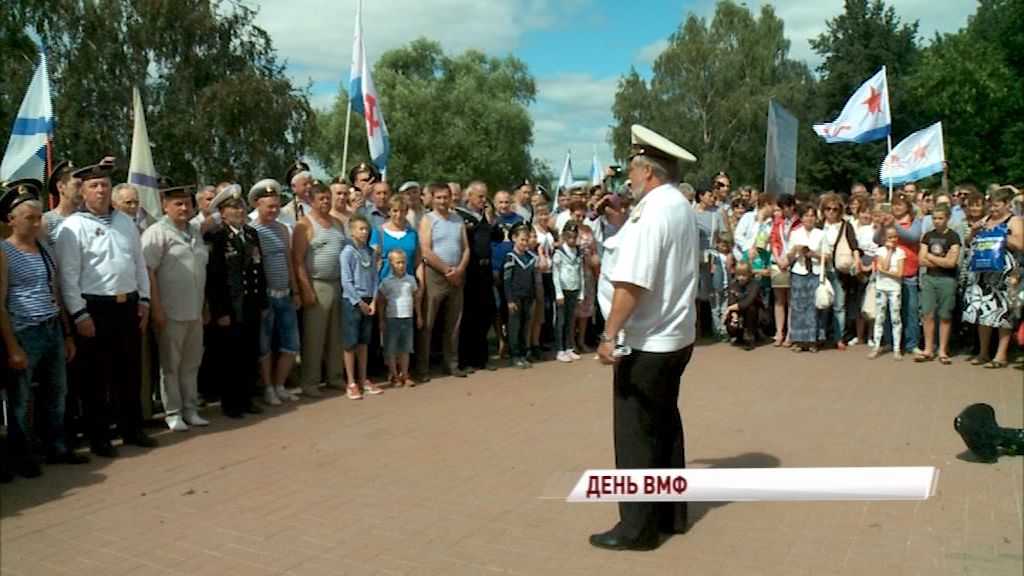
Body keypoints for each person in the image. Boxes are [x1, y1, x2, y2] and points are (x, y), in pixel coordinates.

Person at [591, 124, 697, 551]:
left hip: (648, 341)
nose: (629, 178)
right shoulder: (678, 205)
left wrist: (608, 334)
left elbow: (632, 282)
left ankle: (637, 529)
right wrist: (621, 224)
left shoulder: (651, 212)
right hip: (675, 336)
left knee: (636, 435)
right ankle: (670, 514)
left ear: (648, 171)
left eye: (633, 169)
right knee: (664, 426)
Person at [56, 164, 157, 457]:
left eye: (105, 185)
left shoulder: (125, 221)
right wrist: (79, 314)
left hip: (128, 306)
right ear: (83, 191)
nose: (100, 190)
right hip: (94, 309)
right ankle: (99, 437)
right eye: (94, 185)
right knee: (95, 378)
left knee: (129, 373)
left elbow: (139, 264)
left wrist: (145, 300)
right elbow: (67, 277)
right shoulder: (72, 227)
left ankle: (131, 429)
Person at [0, 181, 90, 478]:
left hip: (51, 329)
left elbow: (56, 292)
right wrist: (12, 347)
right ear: (11, 219)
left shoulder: (45, 250)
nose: (37, 223)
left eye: (39, 217)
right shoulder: (4, 252)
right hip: (24, 331)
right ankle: (22, 455)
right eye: (29, 218)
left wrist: (66, 334)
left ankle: (56, 447)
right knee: (21, 399)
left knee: (56, 393)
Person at [142, 185, 209, 431]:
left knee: (191, 364)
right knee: (170, 366)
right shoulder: (156, 233)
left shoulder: (194, 231)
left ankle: (190, 408)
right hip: (170, 311)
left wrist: (204, 305)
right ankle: (173, 412)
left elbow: (200, 271)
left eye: (187, 203)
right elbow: (148, 271)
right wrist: (156, 309)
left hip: (194, 310)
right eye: (178, 204)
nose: (184, 208)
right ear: (165, 206)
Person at [203, 185, 266, 418]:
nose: (240, 211)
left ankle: (247, 398)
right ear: (222, 212)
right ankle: (231, 403)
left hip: (250, 303)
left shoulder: (251, 234)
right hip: (230, 306)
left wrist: (262, 303)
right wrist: (220, 311)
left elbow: (259, 269)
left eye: (241, 206)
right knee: (230, 356)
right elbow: (214, 279)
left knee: (250, 353)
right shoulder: (216, 237)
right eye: (233, 207)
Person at [292, 181, 347, 398]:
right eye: (321, 198)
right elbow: (297, 260)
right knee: (314, 337)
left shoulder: (338, 223)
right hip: (317, 283)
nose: (325, 202)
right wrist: (305, 289)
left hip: (337, 283)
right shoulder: (304, 225)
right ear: (312, 201)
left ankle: (335, 376)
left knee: (336, 336)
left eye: (327, 198)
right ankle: (310, 381)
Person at [249, 179, 301, 405]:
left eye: (277, 206)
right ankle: (268, 388)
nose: (274, 210)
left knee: (291, 343)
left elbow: (289, 261)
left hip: (285, 294)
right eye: (269, 206)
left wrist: (295, 291)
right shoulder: (252, 231)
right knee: (265, 346)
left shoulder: (282, 229)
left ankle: (280, 385)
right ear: (257, 204)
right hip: (266, 296)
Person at [962, 187, 1023, 369]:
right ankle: (983, 352)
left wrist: (1000, 234)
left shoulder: (1014, 221)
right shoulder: (985, 220)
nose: (993, 209)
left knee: (1003, 313)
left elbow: (1020, 244)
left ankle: (1001, 355)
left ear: (1007, 204)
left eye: (997, 205)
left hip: (1005, 274)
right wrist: (973, 232)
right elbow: (968, 242)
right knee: (984, 313)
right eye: (991, 205)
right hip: (982, 273)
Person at [415, 183, 470, 382]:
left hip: (457, 275)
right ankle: (422, 368)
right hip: (435, 275)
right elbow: (426, 251)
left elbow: (466, 248)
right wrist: (446, 270)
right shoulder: (428, 220)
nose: (443, 201)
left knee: (454, 322)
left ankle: (451, 364)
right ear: (432, 198)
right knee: (428, 323)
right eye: (438, 197)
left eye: (446, 197)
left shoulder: (457, 220)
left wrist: (460, 269)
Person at [454, 181, 496, 372]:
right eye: (479, 196)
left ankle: (481, 358)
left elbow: (496, 237)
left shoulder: (485, 216)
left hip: (486, 270)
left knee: (485, 313)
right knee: (469, 316)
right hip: (471, 270)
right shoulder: (461, 216)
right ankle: (465, 359)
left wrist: (490, 220)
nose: (483, 200)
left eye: (485, 196)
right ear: (469, 196)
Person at [340, 215, 382, 399]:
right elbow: (346, 280)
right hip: (352, 301)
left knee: (364, 342)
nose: (365, 232)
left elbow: (375, 278)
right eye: (361, 229)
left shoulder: (370, 252)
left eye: (366, 229)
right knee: (350, 343)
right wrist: (358, 302)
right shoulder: (347, 252)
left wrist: (373, 300)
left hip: (368, 299)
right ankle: (351, 382)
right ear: (351, 231)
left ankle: (364, 379)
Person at [916, 204, 961, 364]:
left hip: (947, 279)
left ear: (947, 218)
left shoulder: (953, 236)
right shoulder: (928, 236)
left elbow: (951, 263)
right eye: (934, 218)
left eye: (940, 218)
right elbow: (921, 260)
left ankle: (942, 350)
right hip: (930, 278)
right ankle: (928, 349)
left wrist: (930, 257)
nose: (937, 221)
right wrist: (940, 260)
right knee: (927, 313)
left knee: (945, 315)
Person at [377, 249, 421, 387]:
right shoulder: (386, 282)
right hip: (392, 318)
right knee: (391, 349)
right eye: (397, 263)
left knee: (406, 348)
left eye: (403, 262)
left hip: (407, 318)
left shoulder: (411, 280)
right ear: (391, 264)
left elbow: (416, 298)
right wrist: (381, 320)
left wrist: (419, 316)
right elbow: (381, 302)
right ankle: (394, 375)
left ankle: (405, 374)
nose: (401, 265)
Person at [786, 204, 825, 353]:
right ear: (801, 218)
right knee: (798, 307)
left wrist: (813, 254)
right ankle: (799, 340)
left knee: (813, 307)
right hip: (799, 271)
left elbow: (827, 256)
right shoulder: (795, 233)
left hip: (815, 271)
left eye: (812, 215)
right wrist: (795, 250)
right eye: (806, 216)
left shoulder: (821, 234)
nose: (809, 218)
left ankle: (813, 340)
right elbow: (789, 257)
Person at [503, 223, 538, 368]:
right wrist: (509, 300)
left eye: (527, 240)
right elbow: (507, 280)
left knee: (525, 326)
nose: (525, 243)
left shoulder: (530, 258)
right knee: (514, 327)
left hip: (528, 296)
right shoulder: (510, 258)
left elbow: (533, 279)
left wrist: (534, 297)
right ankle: (515, 355)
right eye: (522, 239)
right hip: (516, 297)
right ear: (514, 238)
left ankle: (523, 354)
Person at [869, 226, 906, 360]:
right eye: (890, 237)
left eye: (895, 237)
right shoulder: (880, 251)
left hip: (894, 288)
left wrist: (885, 272)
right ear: (885, 239)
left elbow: (899, 273)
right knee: (880, 318)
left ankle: (897, 349)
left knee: (895, 318)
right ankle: (876, 347)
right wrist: (889, 252)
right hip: (881, 287)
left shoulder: (901, 252)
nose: (893, 240)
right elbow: (883, 266)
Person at [769, 194, 800, 347]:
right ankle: (779, 332)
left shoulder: (799, 223)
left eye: (785, 207)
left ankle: (790, 333)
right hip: (778, 262)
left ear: (792, 206)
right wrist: (778, 258)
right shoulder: (778, 222)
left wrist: (789, 260)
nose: (782, 211)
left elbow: (799, 244)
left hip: (794, 263)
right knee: (779, 300)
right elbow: (773, 240)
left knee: (791, 300)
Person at [552, 221, 585, 362]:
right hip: (563, 290)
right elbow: (556, 274)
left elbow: (581, 272)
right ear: (564, 236)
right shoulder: (559, 252)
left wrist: (581, 292)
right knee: (561, 321)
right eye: (569, 237)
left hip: (574, 288)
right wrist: (558, 293)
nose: (572, 240)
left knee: (570, 320)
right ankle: (560, 349)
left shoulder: (578, 252)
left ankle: (568, 347)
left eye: (574, 237)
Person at [42, 160, 80, 245]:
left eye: (82, 185)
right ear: (60, 187)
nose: (81, 189)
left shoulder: (88, 216)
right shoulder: (47, 221)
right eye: (77, 185)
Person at [725, 261, 762, 350]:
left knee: (751, 309)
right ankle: (738, 335)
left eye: (744, 275)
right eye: (739, 275)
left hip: (756, 314)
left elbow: (748, 302)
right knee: (730, 319)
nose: (741, 278)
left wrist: (730, 308)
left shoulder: (755, 284)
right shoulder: (733, 285)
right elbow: (731, 301)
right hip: (739, 312)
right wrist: (734, 317)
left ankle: (751, 335)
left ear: (749, 274)